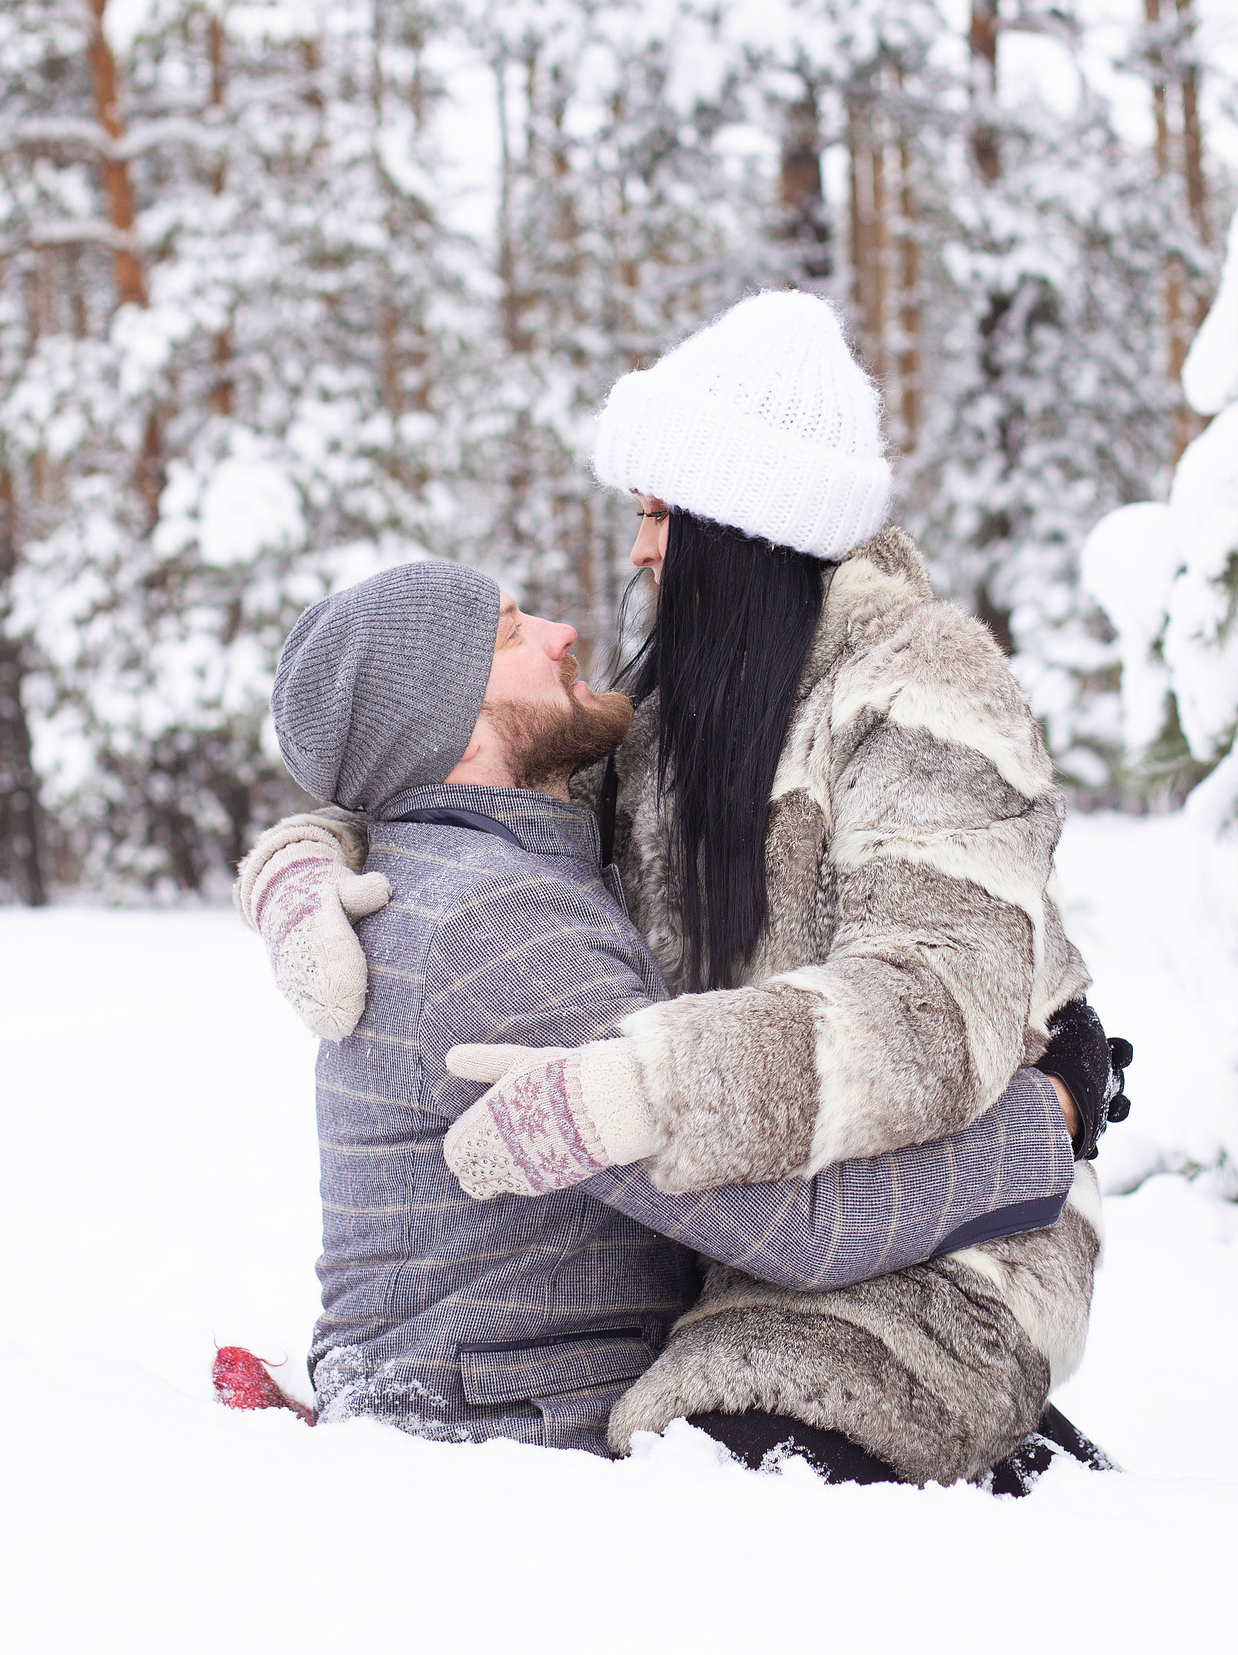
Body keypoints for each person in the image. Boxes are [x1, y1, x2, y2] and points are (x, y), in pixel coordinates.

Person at [239, 290, 1126, 1489]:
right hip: (743, 1228)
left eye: (662, 515)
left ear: (742, 524)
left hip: (934, 1231)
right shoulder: (662, 724)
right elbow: (438, 778)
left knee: (733, 1474)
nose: (638, 551)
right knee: (696, 1459)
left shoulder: (924, 686)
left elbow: (927, 1005)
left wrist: (1058, 1115)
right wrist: (304, 862)